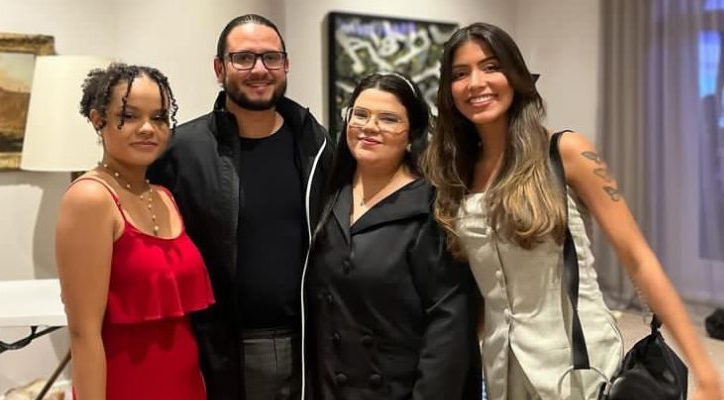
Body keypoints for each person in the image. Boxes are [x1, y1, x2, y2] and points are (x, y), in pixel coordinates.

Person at [421, 22, 723, 400]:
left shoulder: (564, 152)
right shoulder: (457, 173)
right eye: (460, 74)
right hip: (502, 370)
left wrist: (705, 370)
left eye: (491, 66)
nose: (475, 83)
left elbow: (637, 257)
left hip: (580, 366)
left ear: (515, 75)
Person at [147, 14, 332, 400]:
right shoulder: (179, 152)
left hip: (309, 344)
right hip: (213, 347)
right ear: (220, 68)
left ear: (286, 64)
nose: (260, 70)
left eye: (271, 58)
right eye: (244, 58)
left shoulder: (319, 147)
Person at [303, 72, 483, 400]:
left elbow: (448, 326)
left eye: (388, 119)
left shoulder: (430, 207)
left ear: (412, 134)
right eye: (360, 114)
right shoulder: (329, 197)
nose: (370, 127)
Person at [55, 63, 214, 400]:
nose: (147, 129)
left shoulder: (164, 196)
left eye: (158, 118)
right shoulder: (91, 198)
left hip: (185, 386)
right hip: (126, 385)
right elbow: (84, 334)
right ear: (98, 120)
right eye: (129, 116)